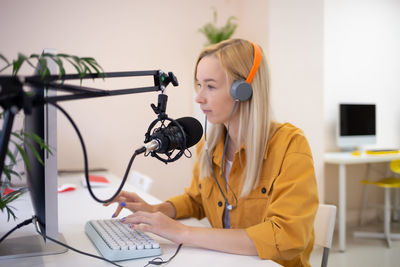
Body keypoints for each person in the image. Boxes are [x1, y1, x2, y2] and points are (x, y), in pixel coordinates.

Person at [105, 38, 319, 267]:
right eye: (199, 85)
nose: (199, 97)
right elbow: (196, 199)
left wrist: (183, 233)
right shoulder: (209, 145)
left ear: (243, 91)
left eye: (211, 86)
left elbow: (287, 237)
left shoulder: (290, 146)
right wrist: (156, 209)